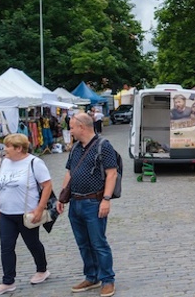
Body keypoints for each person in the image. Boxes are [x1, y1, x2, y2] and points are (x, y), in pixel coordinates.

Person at [57, 113, 118, 297]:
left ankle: (107, 279)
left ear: (82, 127)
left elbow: (112, 173)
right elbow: (69, 172)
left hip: (94, 202)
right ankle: (91, 276)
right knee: (83, 243)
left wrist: (106, 200)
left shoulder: (103, 146)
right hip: (75, 202)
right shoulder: (75, 147)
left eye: (72, 127)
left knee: (98, 243)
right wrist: (62, 197)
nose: (70, 131)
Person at [0, 133, 53, 296]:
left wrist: (39, 209)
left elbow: (47, 186)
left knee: (33, 243)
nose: (5, 150)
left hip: (26, 214)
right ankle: (8, 282)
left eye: (8, 147)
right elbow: (2, 185)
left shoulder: (34, 162)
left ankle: (42, 270)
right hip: (6, 213)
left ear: (18, 148)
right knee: (6, 247)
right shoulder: (5, 162)